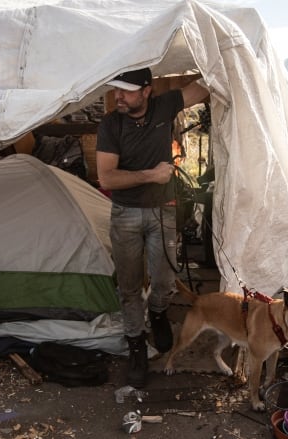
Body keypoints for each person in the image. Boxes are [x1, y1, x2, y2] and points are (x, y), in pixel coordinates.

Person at [96, 67, 209, 388]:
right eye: (117, 89)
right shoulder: (111, 124)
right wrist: (152, 175)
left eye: (127, 90)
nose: (119, 96)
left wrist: (220, 53)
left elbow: (202, 88)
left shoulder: (164, 105)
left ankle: (158, 312)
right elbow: (107, 177)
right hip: (125, 214)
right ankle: (136, 347)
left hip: (163, 211)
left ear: (147, 91)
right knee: (129, 286)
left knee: (164, 279)